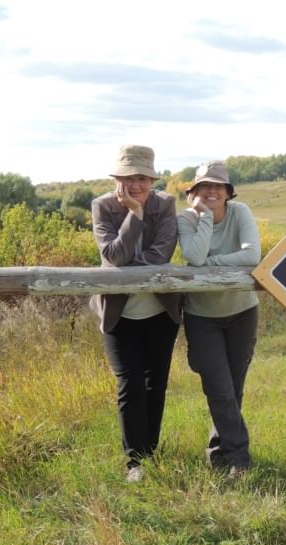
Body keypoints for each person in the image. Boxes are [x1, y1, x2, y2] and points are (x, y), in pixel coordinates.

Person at [90, 144, 182, 483]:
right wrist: (135, 214)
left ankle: (151, 453)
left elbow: (160, 255)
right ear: (118, 179)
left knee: (154, 383)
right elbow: (114, 257)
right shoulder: (102, 206)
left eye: (142, 177)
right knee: (129, 383)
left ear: (151, 179)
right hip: (118, 312)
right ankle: (135, 462)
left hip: (160, 310)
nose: (136, 185)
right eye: (129, 178)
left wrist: (131, 265)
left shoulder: (167, 204)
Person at [177, 161, 261, 478]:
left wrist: (213, 262)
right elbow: (195, 257)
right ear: (194, 193)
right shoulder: (185, 220)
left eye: (218, 186)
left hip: (242, 313)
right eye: (204, 187)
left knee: (233, 388)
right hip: (202, 317)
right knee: (219, 388)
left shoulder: (241, 213)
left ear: (228, 192)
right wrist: (206, 218)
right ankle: (240, 457)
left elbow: (252, 256)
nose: (212, 191)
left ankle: (217, 452)